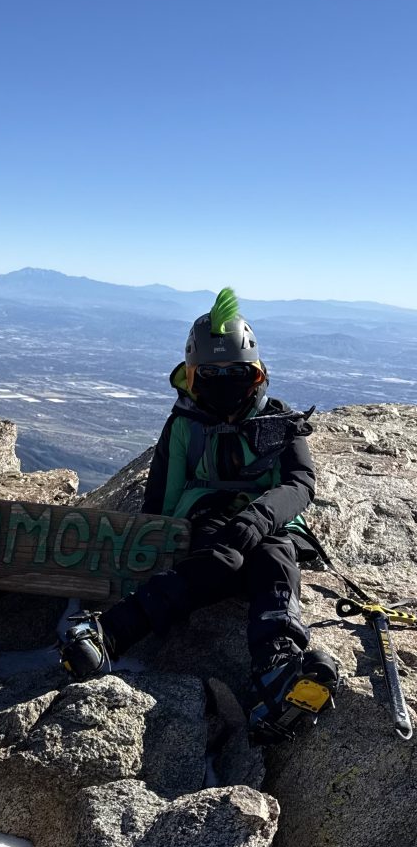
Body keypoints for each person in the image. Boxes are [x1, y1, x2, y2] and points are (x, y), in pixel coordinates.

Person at [59, 288, 339, 743]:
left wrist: (259, 517)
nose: (224, 382)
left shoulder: (280, 422)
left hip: (267, 525)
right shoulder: (185, 424)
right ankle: (275, 673)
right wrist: (153, 543)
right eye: (213, 374)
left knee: (269, 555)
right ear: (193, 375)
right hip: (208, 522)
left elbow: (300, 483)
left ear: (256, 373)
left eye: (236, 373)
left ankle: (113, 633)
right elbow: (159, 499)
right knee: (230, 557)